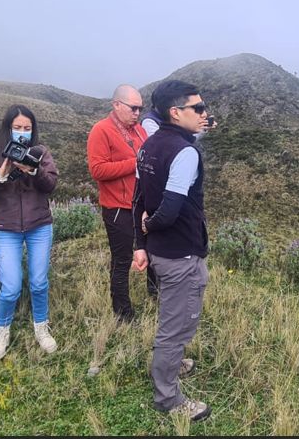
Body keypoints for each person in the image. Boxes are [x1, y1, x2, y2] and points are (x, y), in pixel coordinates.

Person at [132, 79, 213, 422]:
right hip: (179, 252)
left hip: (163, 253)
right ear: (175, 112)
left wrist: (141, 241)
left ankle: (173, 362)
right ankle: (167, 396)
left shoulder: (149, 145)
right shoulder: (184, 152)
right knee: (175, 321)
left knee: (175, 314)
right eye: (198, 108)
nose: (204, 113)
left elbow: (138, 198)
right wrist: (149, 228)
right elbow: (168, 209)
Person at [0, 105, 60, 361]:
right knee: (10, 286)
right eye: (17, 128)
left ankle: (41, 327)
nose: (22, 133)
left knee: (39, 281)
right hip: (5, 229)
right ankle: (2, 331)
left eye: (27, 129)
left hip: (39, 226)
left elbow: (51, 184)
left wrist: (32, 169)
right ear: (8, 128)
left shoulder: (41, 153)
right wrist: (0, 174)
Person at [85, 83, 158, 321]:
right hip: (118, 208)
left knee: (153, 250)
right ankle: (122, 313)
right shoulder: (101, 130)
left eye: (140, 108)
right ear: (116, 105)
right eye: (133, 108)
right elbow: (97, 170)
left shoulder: (139, 131)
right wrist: (134, 163)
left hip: (142, 206)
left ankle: (155, 293)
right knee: (122, 259)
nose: (138, 113)